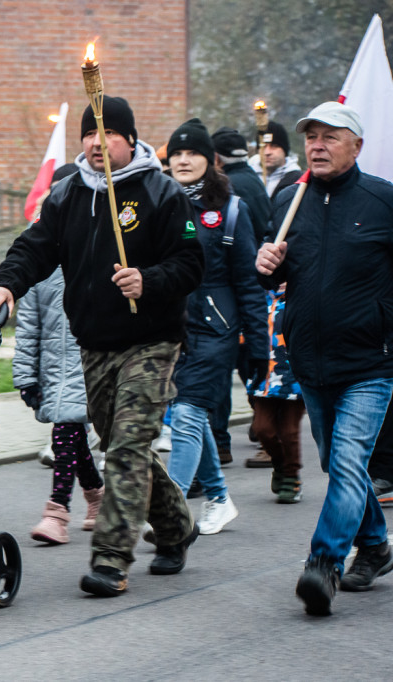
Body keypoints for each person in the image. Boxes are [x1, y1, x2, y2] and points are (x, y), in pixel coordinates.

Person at [0, 96, 204, 597]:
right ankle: (174, 527)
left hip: (151, 341)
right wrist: (7, 283)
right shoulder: (66, 194)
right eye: (88, 135)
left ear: (128, 137)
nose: (96, 144)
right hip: (95, 342)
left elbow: (191, 263)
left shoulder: (162, 191)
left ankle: (111, 559)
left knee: (125, 448)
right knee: (125, 446)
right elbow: (35, 247)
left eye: (107, 134)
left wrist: (148, 280)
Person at [256, 101, 393, 615]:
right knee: (342, 467)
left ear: (356, 146)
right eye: (311, 136)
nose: (317, 144)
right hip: (310, 361)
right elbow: (274, 276)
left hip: (369, 364)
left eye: (331, 136)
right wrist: (265, 267)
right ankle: (377, 546)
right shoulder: (290, 202)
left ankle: (323, 564)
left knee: (349, 461)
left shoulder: (384, 201)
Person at [162, 118, 268, 536]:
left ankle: (169, 514)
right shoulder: (160, 202)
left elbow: (248, 281)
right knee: (194, 415)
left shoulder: (231, 209)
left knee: (186, 413)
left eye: (193, 154)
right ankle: (220, 499)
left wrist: (259, 346)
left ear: (211, 160)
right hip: (172, 327)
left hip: (217, 328)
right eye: (177, 154)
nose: (184, 160)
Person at [14, 268, 104, 545]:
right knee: (72, 433)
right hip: (54, 368)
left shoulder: (97, 238)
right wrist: (26, 376)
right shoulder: (40, 256)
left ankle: (57, 512)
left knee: (64, 433)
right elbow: (28, 324)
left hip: (93, 360)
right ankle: (96, 494)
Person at [210, 126, 274, 466]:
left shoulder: (227, 190)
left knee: (227, 366)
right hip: (258, 287)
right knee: (250, 363)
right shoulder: (256, 181)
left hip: (232, 291)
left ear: (215, 157)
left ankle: (226, 440)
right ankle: (261, 422)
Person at [247, 285, 306, 504]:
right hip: (263, 376)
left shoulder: (302, 293)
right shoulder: (259, 296)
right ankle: (280, 464)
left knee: (289, 432)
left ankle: (292, 476)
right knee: (263, 429)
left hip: (295, 375)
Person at [249, 121, 301, 200]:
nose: (267, 152)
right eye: (263, 147)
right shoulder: (249, 178)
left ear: (284, 150)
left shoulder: (298, 181)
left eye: (274, 146)